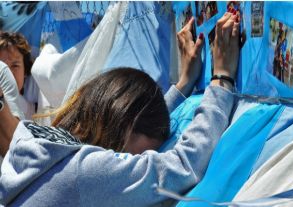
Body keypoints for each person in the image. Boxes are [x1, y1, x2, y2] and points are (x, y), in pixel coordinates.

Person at [0, 12, 240, 206]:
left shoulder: (41, 144)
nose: (130, 162)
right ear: (120, 127)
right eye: (137, 159)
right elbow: (182, 165)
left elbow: (132, 124)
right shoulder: (84, 173)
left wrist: (183, 85)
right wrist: (221, 80)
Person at [0, 32, 38, 120]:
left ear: (25, 71)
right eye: (1, 66)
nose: (8, 72)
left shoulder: (35, 114)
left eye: (15, 65)